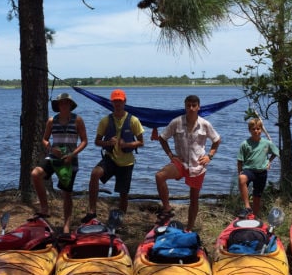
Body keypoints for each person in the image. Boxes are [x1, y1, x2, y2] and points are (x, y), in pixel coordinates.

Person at [155, 94, 221, 230]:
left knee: (194, 199)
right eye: (188, 105)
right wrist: (170, 155)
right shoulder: (176, 122)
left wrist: (210, 156)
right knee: (159, 176)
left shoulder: (205, 124)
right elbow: (162, 138)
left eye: (194, 105)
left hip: (198, 166)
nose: (191, 108)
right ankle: (167, 209)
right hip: (181, 162)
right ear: (185, 106)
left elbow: (216, 140)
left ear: (198, 107)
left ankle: (189, 228)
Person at [31, 92, 88, 233]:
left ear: (70, 105)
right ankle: (44, 208)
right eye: (61, 103)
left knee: (66, 193)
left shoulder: (77, 120)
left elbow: (84, 141)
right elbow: (44, 139)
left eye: (66, 103)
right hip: (53, 157)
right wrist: (50, 147)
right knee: (35, 174)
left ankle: (66, 225)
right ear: (58, 105)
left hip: (70, 160)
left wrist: (73, 154)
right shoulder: (52, 121)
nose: (63, 105)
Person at [85, 89, 144, 220]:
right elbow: (97, 141)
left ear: (125, 102)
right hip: (110, 159)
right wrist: (107, 143)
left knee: (123, 194)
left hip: (126, 162)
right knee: (95, 173)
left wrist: (127, 145)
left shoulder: (133, 120)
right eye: (115, 101)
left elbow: (141, 142)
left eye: (120, 101)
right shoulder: (105, 121)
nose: (118, 104)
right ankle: (92, 211)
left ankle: (119, 219)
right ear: (112, 103)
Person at [237, 117, 279, 218]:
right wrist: (239, 172)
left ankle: (254, 217)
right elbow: (239, 160)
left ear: (261, 130)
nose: (256, 131)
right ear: (249, 130)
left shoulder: (266, 143)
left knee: (257, 196)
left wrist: (269, 161)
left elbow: (276, 152)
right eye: (253, 129)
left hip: (261, 172)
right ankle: (247, 207)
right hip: (249, 170)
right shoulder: (245, 144)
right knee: (242, 179)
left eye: (258, 129)